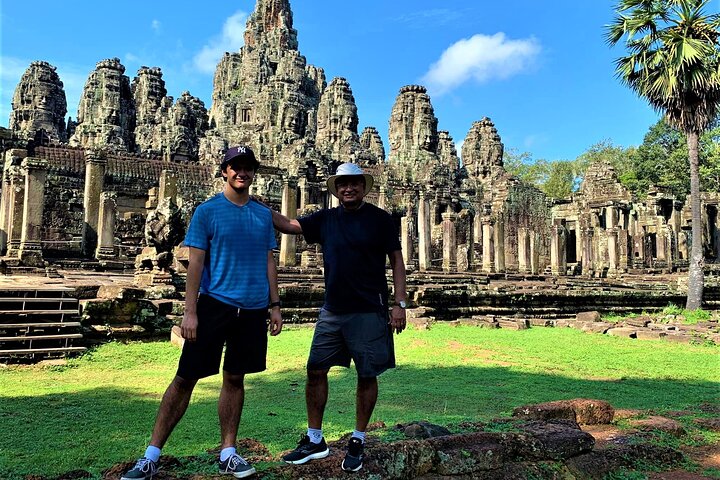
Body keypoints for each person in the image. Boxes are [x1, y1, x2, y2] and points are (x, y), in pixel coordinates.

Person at [121, 145, 283, 480]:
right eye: (235, 167)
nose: (242, 172)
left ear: (254, 173)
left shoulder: (263, 214)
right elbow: (195, 264)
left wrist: (275, 305)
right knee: (185, 378)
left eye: (248, 167)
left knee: (235, 378)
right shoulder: (207, 211)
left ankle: (228, 452)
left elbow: (269, 260)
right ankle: (151, 455)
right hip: (214, 305)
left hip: (253, 309)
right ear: (224, 171)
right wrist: (190, 311)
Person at [269, 162, 408, 473]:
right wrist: (253, 205)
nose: (348, 188)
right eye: (343, 184)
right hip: (332, 310)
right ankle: (314, 439)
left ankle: (358, 437)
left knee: (367, 374)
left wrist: (399, 303)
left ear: (363, 187)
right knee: (315, 369)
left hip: (369, 309)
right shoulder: (326, 219)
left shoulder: (380, 220)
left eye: (354, 183)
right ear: (336, 189)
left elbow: (397, 261)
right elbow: (290, 225)